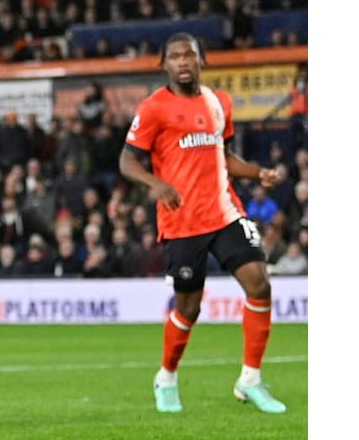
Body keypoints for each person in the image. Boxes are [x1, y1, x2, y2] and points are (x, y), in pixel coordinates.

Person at [118, 32, 287, 415]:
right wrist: (156, 183)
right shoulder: (154, 108)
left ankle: (251, 379)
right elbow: (127, 162)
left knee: (259, 284)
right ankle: (166, 376)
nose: (183, 62)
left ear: (201, 61)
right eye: (175, 56)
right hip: (181, 220)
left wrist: (256, 173)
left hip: (225, 212)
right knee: (189, 308)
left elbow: (223, 155)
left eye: (189, 55)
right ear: (164, 64)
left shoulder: (218, 102)